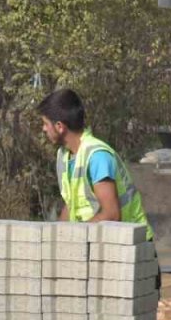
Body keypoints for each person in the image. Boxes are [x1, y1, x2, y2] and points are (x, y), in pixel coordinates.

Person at [37, 89, 152, 237]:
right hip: (102, 241)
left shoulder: (97, 157)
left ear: (60, 126)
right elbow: (71, 205)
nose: (43, 128)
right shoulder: (64, 155)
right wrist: (57, 237)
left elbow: (111, 215)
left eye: (46, 123)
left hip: (134, 246)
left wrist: (75, 235)